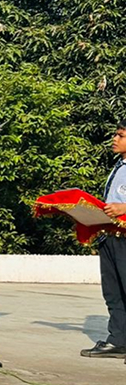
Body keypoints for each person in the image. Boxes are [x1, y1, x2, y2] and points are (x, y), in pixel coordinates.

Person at [81, 122, 126, 360]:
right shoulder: (119, 165)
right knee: (113, 291)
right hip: (110, 236)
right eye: (115, 134)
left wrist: (124, 208)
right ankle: (118, 339)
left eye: (121, 136)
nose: (114, 139)